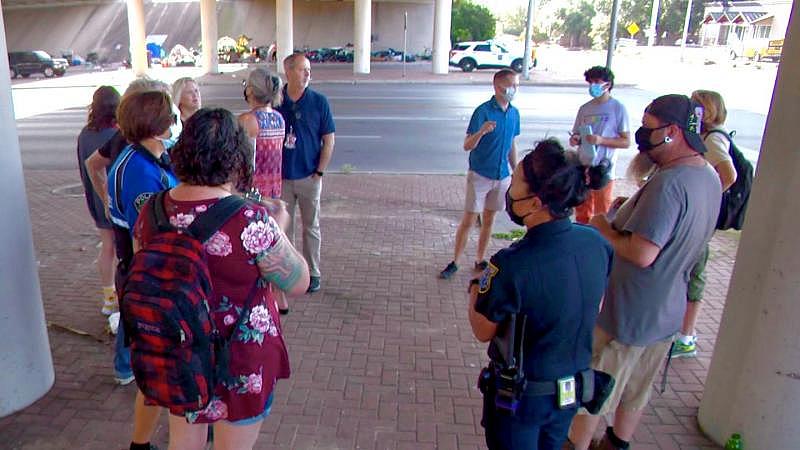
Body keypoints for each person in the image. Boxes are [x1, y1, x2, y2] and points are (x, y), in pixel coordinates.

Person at [134, 108, 309, 449]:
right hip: (239, 359)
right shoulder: (249, 219)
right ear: (237, 159)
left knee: (183, 441)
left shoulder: (152, 211)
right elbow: (297, 282)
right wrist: (280, 228)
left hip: (180, 351)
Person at [567, 95, 722, 450]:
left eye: (649, 128)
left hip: (629, 315)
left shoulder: (670, 183)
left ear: (672, 132)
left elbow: (642, 252)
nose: (641, 136)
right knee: (636, 391)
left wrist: (604, 226)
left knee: (594, 392)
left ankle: (575, 445)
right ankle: (617, 442)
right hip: (667, 312)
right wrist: (632, 210)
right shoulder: (707, 175)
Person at [469, 138, 613, 450]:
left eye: (516, 182)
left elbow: (482, 330)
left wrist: (474, 290)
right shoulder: (595, 243)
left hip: (522, 402)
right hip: (570, 393)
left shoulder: (512, 264)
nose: (510, 190)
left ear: (536, 202)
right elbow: (595, 303)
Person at [108, 90, 180, 450]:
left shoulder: (149, 158)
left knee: (159, 368)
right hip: (153, 280)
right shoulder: (138, 171)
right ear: (155, 125)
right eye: (171, 117)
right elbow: (150, 237)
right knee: (161, 369)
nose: (176, 122)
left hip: (152, 276)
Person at [671, 89, 738, 358]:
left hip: (699, 224)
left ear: (707, 111)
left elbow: (729, 174)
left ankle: (686, 337)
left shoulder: (713, 140)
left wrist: (705, 200)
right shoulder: (701, 137)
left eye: (696, 106)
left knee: (693, 278)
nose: (691, 111)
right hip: (694, 220)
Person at [440, 69, 521, 280]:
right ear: (498, 86)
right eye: (511, 85)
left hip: (502, 175)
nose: (514, 89)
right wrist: (482, 131)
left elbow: (512, 143)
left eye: (517, 85)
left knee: (489, 219)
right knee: (469, 219)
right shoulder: (483, 112)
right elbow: (467, 145)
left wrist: (516, 170)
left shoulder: (514, 113)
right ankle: (455, 261)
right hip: (480, 175)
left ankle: (480, 258)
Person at [276, 53, 335, 293]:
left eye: (309, 69)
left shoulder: (319, 102)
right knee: (283, 228)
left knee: (311, 227)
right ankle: (289, 273)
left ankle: (313, 272)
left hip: (310, 177)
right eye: (302, 69)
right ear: (287, 72)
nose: (307, 73)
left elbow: (329, 140)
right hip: (282, 179)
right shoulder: (277, 102)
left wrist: (319, 172)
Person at [85, 77, 180, 216]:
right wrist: (108, 200)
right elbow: (144, 230)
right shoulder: (139, 168)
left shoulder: (147, 151)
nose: (173, 120)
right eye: (166, 111)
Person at [76, 86, 120, 315]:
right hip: (117, 200)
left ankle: (109, 298)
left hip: (96, 198)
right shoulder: (117, 134)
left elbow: (85, 168)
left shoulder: (85, 133)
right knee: (123, 247)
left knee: (107, 247)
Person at [569, 66, 630, 224]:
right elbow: (576, 133)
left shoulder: (618, 108)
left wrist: (601, 140)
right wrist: (576, 139)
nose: (592, 86)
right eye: (590, 82)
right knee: (582, 210)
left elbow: (626, 141)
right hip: (584, 166)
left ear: (607, 84)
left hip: (604, 169)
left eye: (596, 82)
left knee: (602, 213)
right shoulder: (585, 109)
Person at [238, 68, 285, 200]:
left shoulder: (247, 120)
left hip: (252, 192)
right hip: (273, 190)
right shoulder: (279, 118)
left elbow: (242, 161)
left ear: (250, 90)